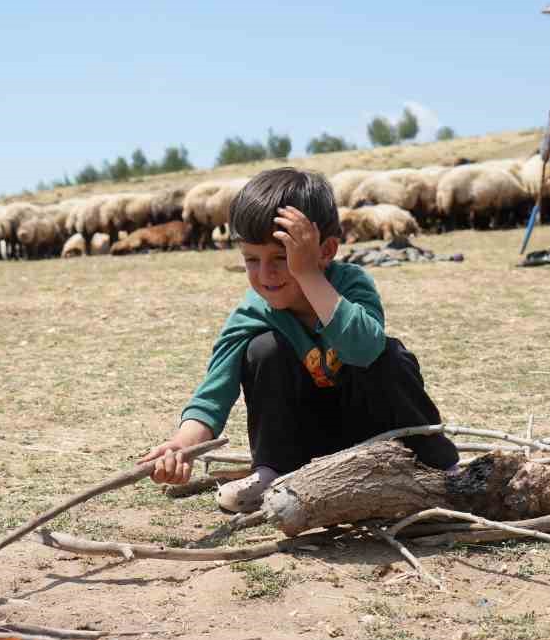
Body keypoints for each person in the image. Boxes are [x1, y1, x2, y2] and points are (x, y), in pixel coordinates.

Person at [141, 167, 458, 512]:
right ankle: (275, 472)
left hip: (375, 438)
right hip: (305, 446)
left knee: (388, 353)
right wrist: (182, 446)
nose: (265, 274)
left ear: (326, 250)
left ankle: (441, 468)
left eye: (282, 258)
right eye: (251, 259)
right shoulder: (254, 311)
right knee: (263, 350)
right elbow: (214, 391)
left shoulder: (351, 285)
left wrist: (308, 274)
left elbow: (363, 348)